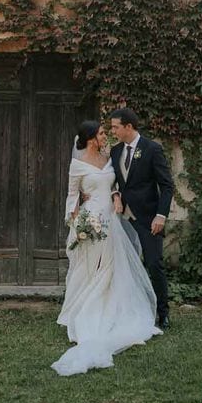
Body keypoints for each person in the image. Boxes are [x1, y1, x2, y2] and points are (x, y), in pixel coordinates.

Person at [51, 119, 162, 376]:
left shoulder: (108, 158)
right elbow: (72, 195)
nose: (106, 136)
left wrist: (116, 197)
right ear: (91, 138)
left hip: (110, 220)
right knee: (91, 267)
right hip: (91, 220)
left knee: (111, 266)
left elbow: (113, 183)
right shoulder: (77, 165)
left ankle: (112, 309)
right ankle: (83, 310)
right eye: (102, 133)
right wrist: (75, 222)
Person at [109, 107, 174, 330]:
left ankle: (163, 313)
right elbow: (114, 181)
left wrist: (161, 215)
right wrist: (115, 196)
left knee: (154, 264)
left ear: (129, 126)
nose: (113, 131)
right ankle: (132, 310)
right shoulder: (115, 151)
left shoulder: (152, 149)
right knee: (126, 266)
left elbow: (166, 186)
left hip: (148, 219)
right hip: (123, 218)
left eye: (116, 127)